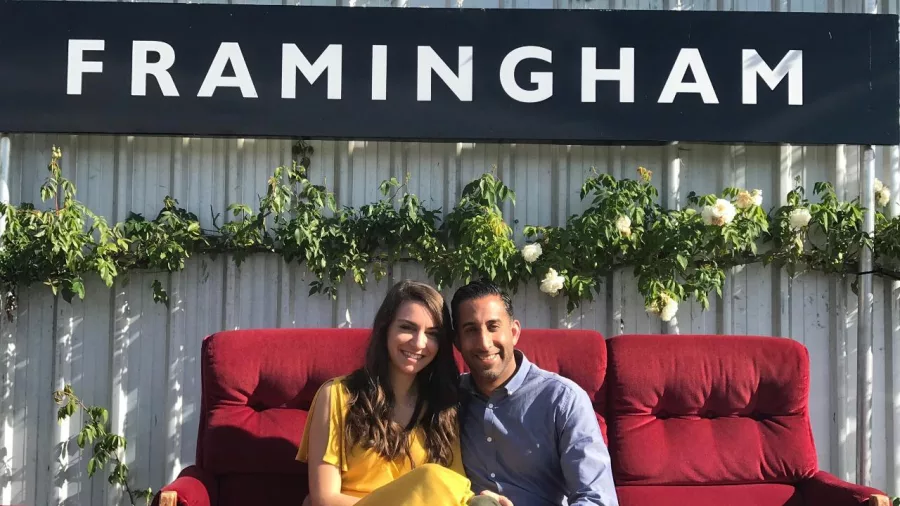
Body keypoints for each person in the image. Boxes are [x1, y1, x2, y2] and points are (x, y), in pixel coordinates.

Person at [296, 280, 506, 506]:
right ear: (386, 329)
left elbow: (452, 490)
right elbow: (323, 499)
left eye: (432, 333)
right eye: (407, 328)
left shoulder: (444, 405)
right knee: (431, 477)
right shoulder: (338, 395)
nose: (419, 343)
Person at [450, 280, 620, 506]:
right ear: (457, 342)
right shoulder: (449, 400)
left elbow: (598, 499)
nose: (484, 342)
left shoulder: (562, 400)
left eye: (493, 327)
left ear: (514, 332)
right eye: (471, 330)